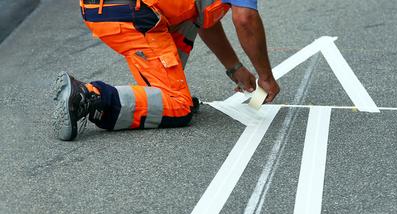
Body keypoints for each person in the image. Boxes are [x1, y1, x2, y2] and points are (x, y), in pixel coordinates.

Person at [53, 0, 280, 141]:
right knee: (179, 108)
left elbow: (204, 16)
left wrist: (235, 68)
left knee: (190, 13)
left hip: (114, 8)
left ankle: (161, 94)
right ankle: (90, 96)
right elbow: (245, 19)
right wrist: (266, 77)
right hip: (129, 13)